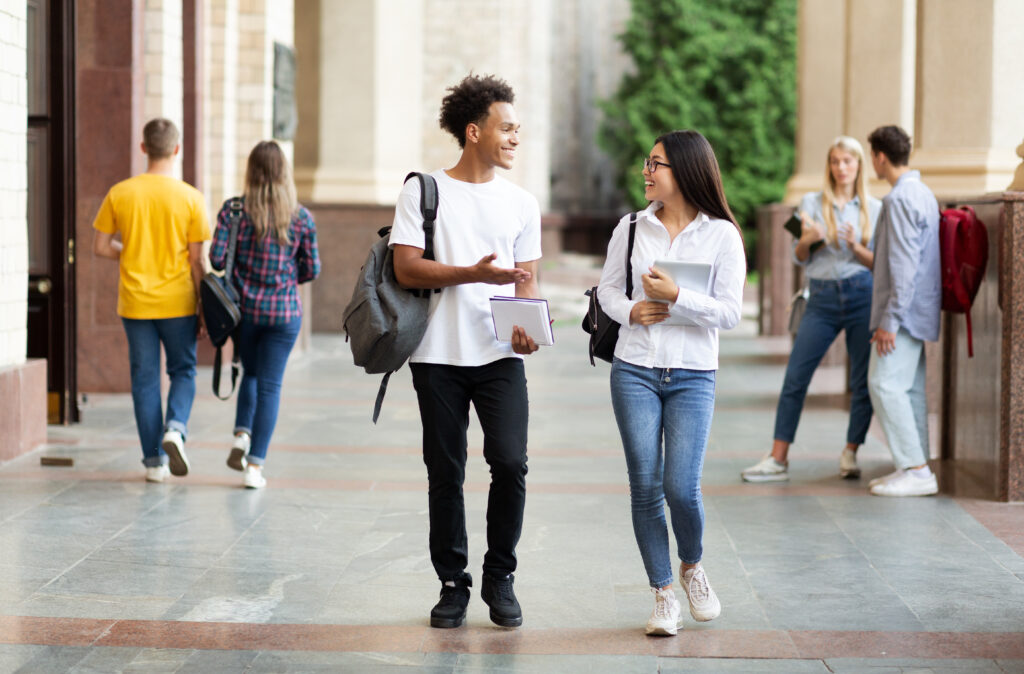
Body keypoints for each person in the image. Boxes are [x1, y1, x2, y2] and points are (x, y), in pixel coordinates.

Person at [390, 74, 542, 629]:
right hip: (436, 356)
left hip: (501, 356)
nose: (515, 138)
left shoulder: (523, 203)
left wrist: (528, 325)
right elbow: (406, 266)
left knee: (510, 462)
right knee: (445, 472)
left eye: (518, 129)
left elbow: (526, 280)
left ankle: (500, 576)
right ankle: (452, 583)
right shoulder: (422, 190)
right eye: (507, 128)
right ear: (473, 131)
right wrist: (470, 275)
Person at [597, 130, 746, 636]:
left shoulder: (722, 235)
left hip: (693, 374)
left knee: (681, 487)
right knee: (645, 486)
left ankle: (692, 567)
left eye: (655, 163)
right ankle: (663, 592)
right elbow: (607, 292)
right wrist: (631, 310)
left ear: (683, 171)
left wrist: (678, 295)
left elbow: (729, 314)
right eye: (647, 162)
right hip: (634, 368)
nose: (646, 171)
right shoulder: (632, 228)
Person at [741, 137, 881, 483]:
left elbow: (880, 264)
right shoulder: (810, 204)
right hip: (821, 298)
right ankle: (778, 457)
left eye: (848, 161)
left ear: (859, 165)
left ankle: (851, 452)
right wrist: (808, 237)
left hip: (862, 294)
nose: (841, 167)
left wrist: (854, 246)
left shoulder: (875, 209)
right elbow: (797, 256)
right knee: (795, 377)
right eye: (835, 161)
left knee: (860, 379)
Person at [92, 118, 210, 483]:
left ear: (143, 148)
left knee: (144, 379)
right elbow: (196, 260)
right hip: (178, 302)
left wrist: (127, 254)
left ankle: (154, 463)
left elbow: (99, 246)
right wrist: (203, 308)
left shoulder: (121, 193)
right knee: (183, 371)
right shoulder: (191, 197)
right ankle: (175, 427)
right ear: (176, 150)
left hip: (136, 303)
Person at [209, 140, 320, 490]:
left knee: (251, 375)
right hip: (284, 313)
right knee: (270, 385)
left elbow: (215, 259)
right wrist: (285, 280)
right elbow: (311, 269)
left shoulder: (234, 211)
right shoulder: (301, 217)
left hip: (245, 312)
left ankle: (242, 434)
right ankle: (254, 466)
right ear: (283, 172)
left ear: (251, 171)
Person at [864, 125, 941, 497]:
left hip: (902, 315)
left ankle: (917, 470)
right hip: (920, 311)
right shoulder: (923, 193)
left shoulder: (897, 200)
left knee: (884, 385)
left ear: (880, 156)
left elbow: (904, 268)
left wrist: (888, 322)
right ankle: (913, 465)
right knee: (908, 390)